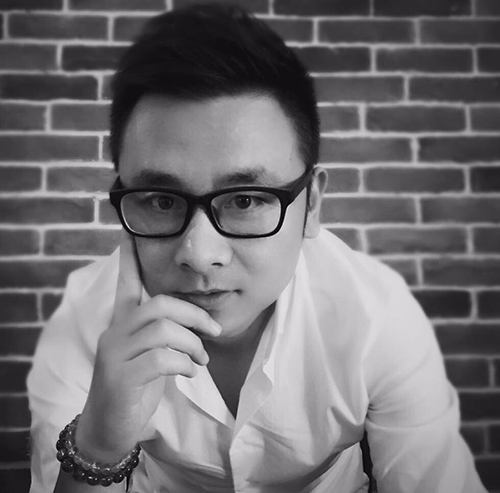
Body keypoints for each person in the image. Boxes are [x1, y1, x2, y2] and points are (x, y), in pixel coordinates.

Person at [27, 3, 487, 492]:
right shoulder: (87, 318)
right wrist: (99, 444)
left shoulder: (376, 316)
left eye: (245, 200)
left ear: (311, 204)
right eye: (161, 200)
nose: (199, 254)